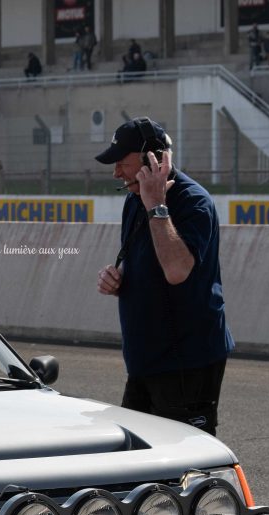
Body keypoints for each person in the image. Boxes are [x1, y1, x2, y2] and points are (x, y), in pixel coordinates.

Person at [94, 118, 234, 437]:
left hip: (186, 363)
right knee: (135, 461)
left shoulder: (193, 202)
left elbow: (176, 270)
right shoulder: (134, 200)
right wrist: (117, 280)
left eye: (122, 163)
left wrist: (157, 206)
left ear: (152, 159)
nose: (116, 173)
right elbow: (149, 266)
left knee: (185, 466)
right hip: (147, 362)